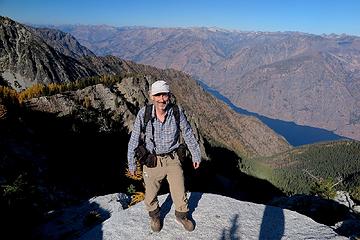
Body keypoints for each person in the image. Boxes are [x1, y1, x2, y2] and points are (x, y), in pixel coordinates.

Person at [127, 80, 201, 232]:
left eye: (164, 95)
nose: (161, 99)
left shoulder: (176, 112)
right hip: (153, 160)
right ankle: (155, 216)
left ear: (169, 96)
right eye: (158, 95)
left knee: (180, 191)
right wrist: (132, 163)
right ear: (152, 97)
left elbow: (187, 133)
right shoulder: (144, 113)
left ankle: (182, 215)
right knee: (150, 195)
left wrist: (196, 154)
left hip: (172, 159)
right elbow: (134, 139)